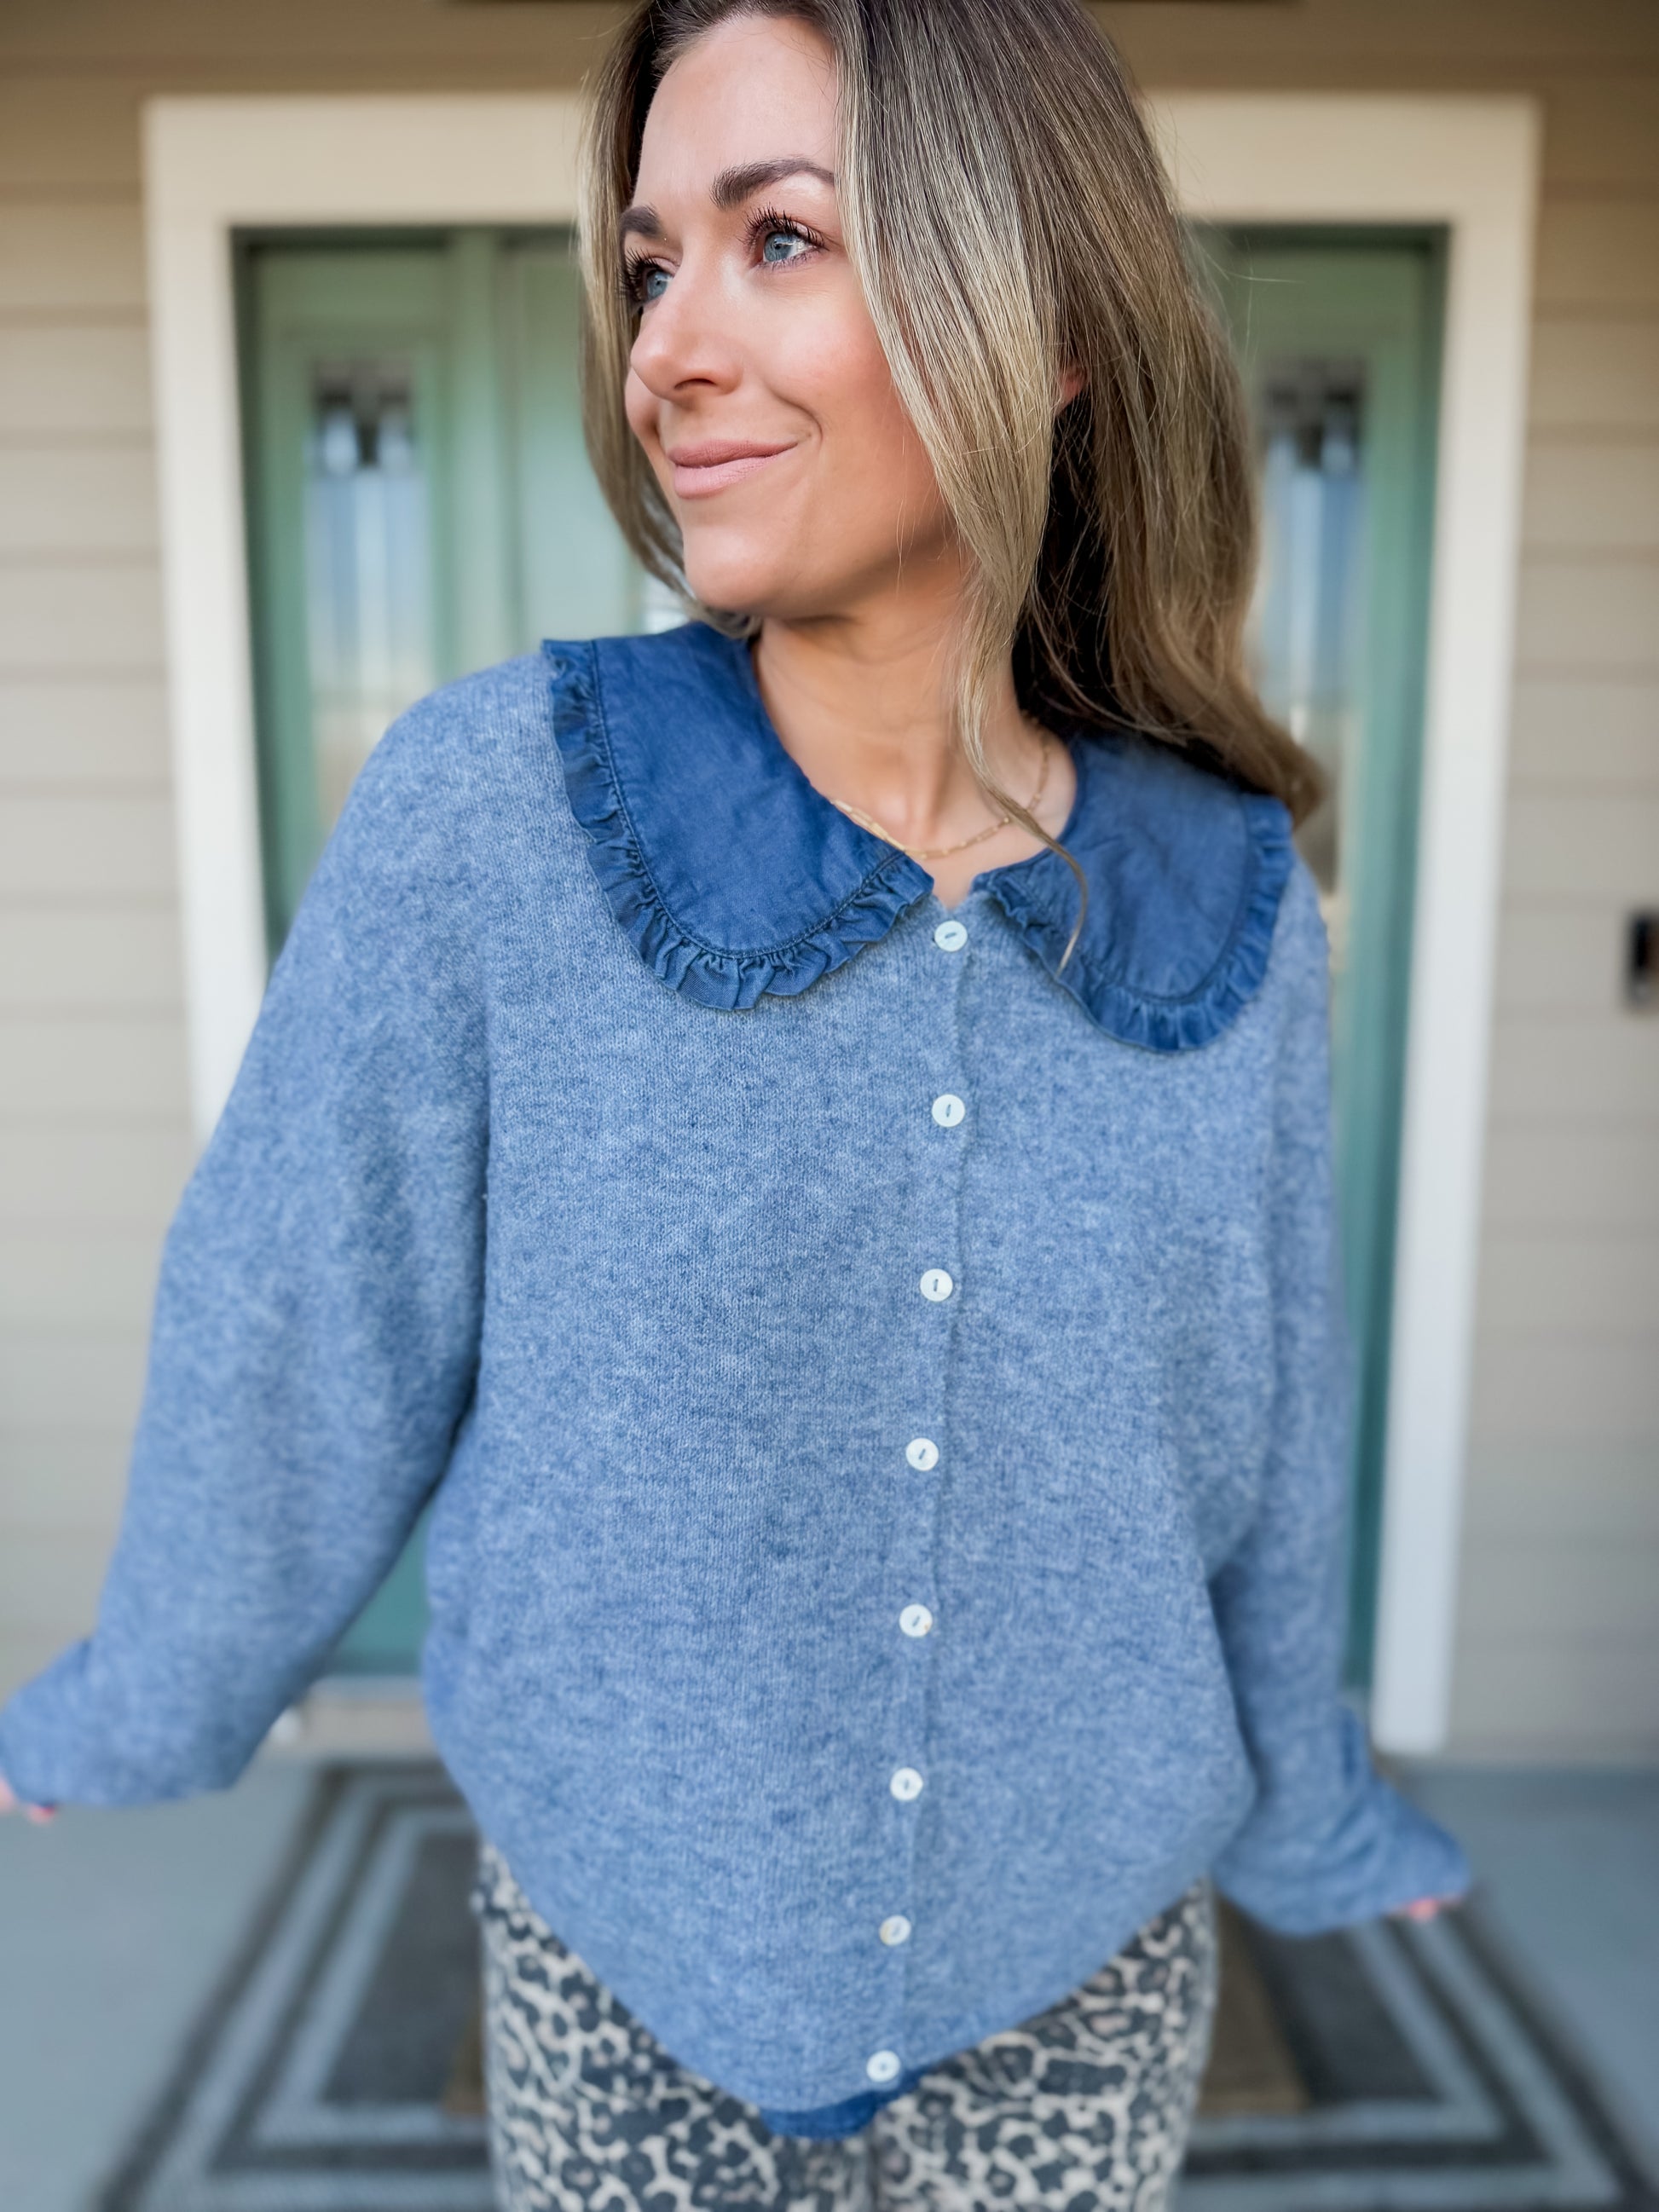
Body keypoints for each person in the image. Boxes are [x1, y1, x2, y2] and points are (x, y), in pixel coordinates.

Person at [0, 0, 1469, 2204]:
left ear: (1044, 324)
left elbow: (1257, 1446)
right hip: (618, 1985)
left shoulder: (1231, 888)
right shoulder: (494, 808)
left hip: (1080, 1984)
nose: (666, 344)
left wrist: (1311, 1796)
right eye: (649, 262)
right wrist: (145, 1689)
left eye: (774, 240)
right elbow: (309, 1318)